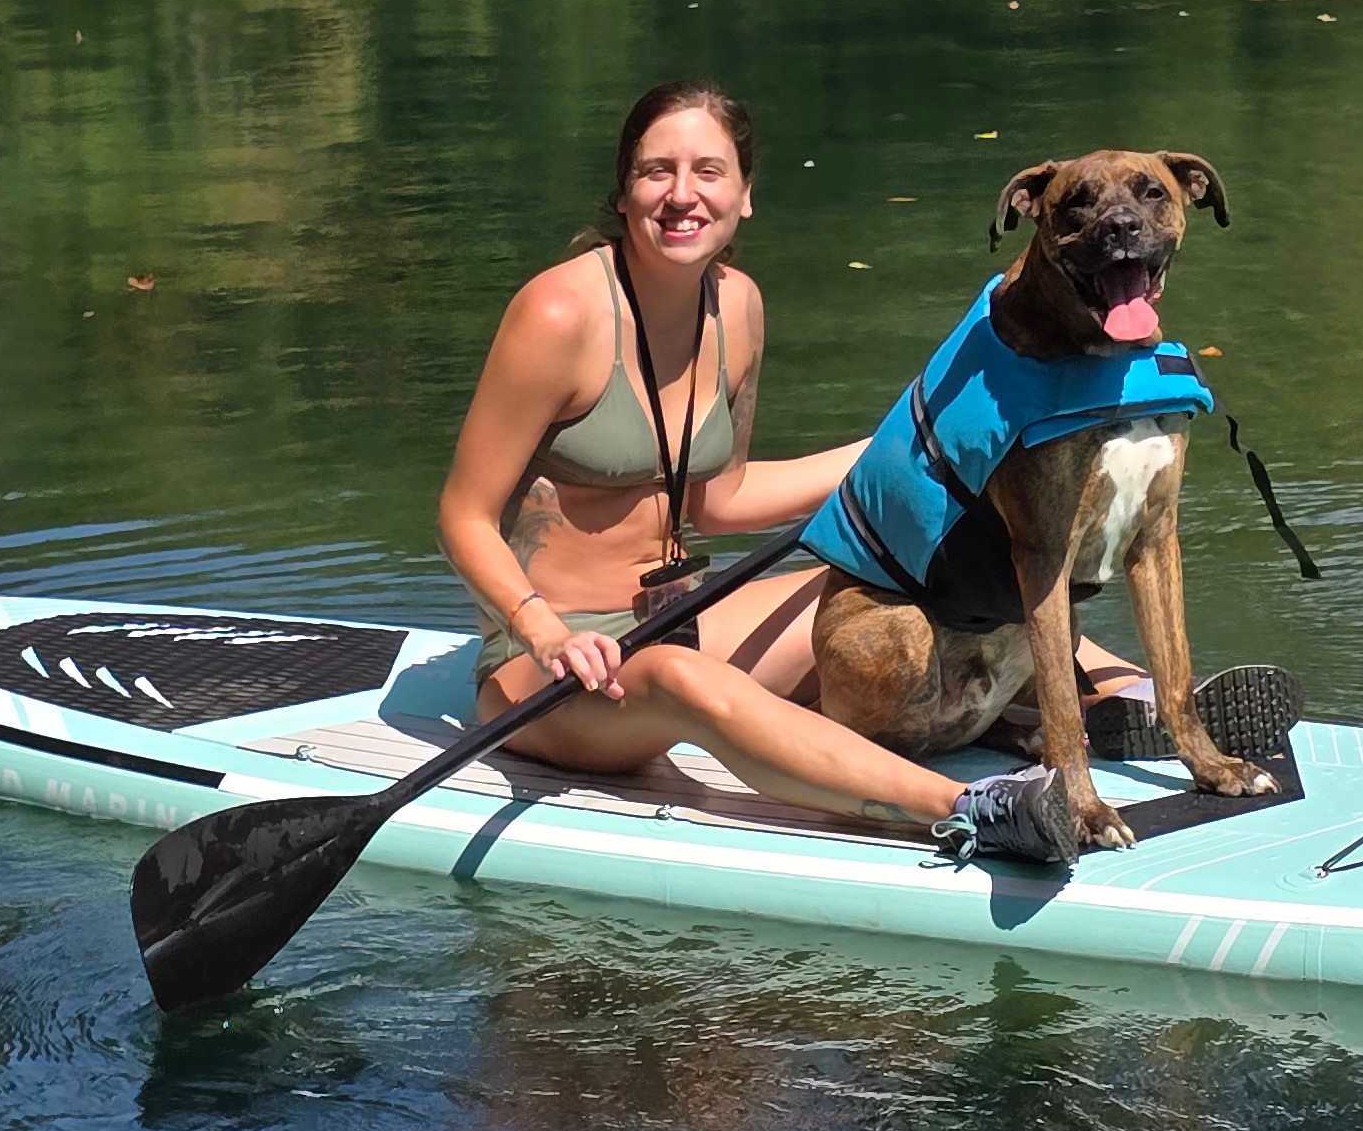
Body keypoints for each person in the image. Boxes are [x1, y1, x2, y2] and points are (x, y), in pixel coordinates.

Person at [438, 81, 1077, 859]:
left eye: (708, 171)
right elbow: (463, 516)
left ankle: (1125, 694)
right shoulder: (558, 314)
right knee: (680, 680)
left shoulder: (736, 307)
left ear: (745, 195)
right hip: (552, 671)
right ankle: (974, 808)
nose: (681, 195)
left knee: (888, 584)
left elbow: (721, 499)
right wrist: (542, 633)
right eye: (656, 172)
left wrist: (899, 450)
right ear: (623, 191)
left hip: (677, 623)